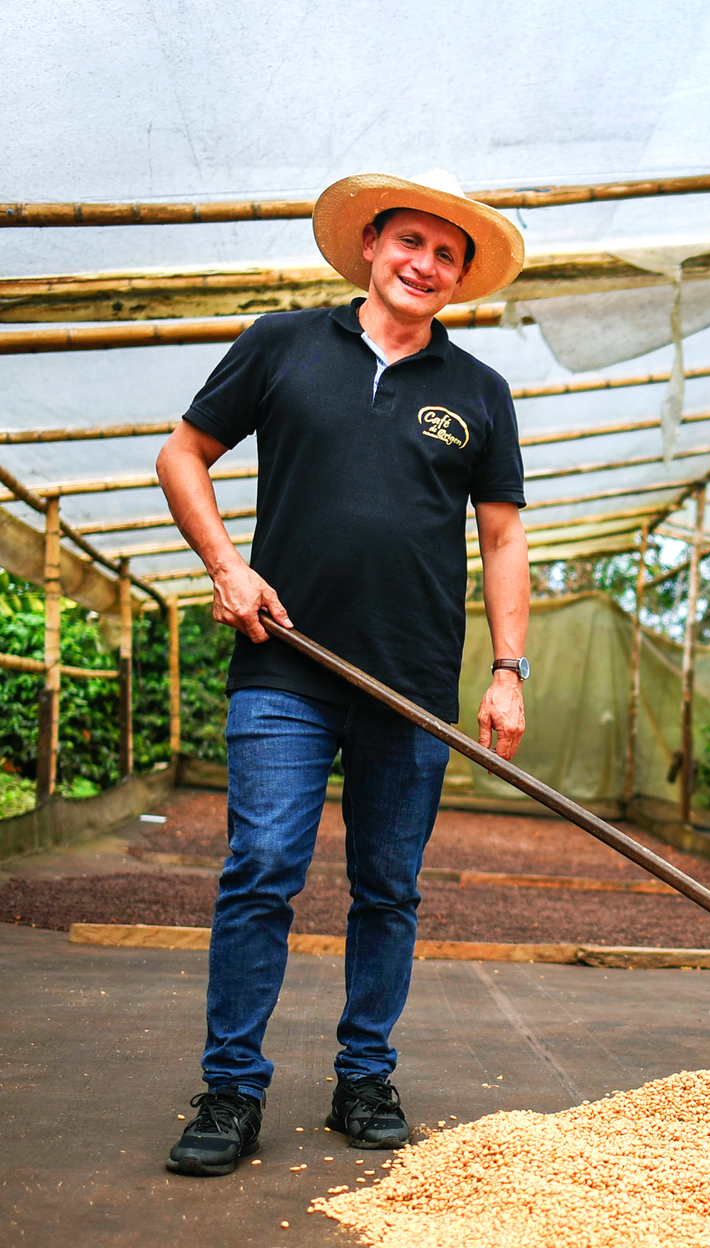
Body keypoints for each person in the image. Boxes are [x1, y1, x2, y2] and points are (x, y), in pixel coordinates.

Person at [158, 170, 530, 1176]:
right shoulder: (283, 343)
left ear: (460, 278)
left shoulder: (478, 392)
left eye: (447, 254)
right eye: (410, 241)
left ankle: (364, 1073)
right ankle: (230, 1087)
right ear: (370, 245)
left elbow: (501, 539)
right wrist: (226, 566)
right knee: (262, 870)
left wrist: (507, 668)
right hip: (287, 665)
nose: (426, 263)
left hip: (410, 681)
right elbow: (182, 453)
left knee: (388, 887)